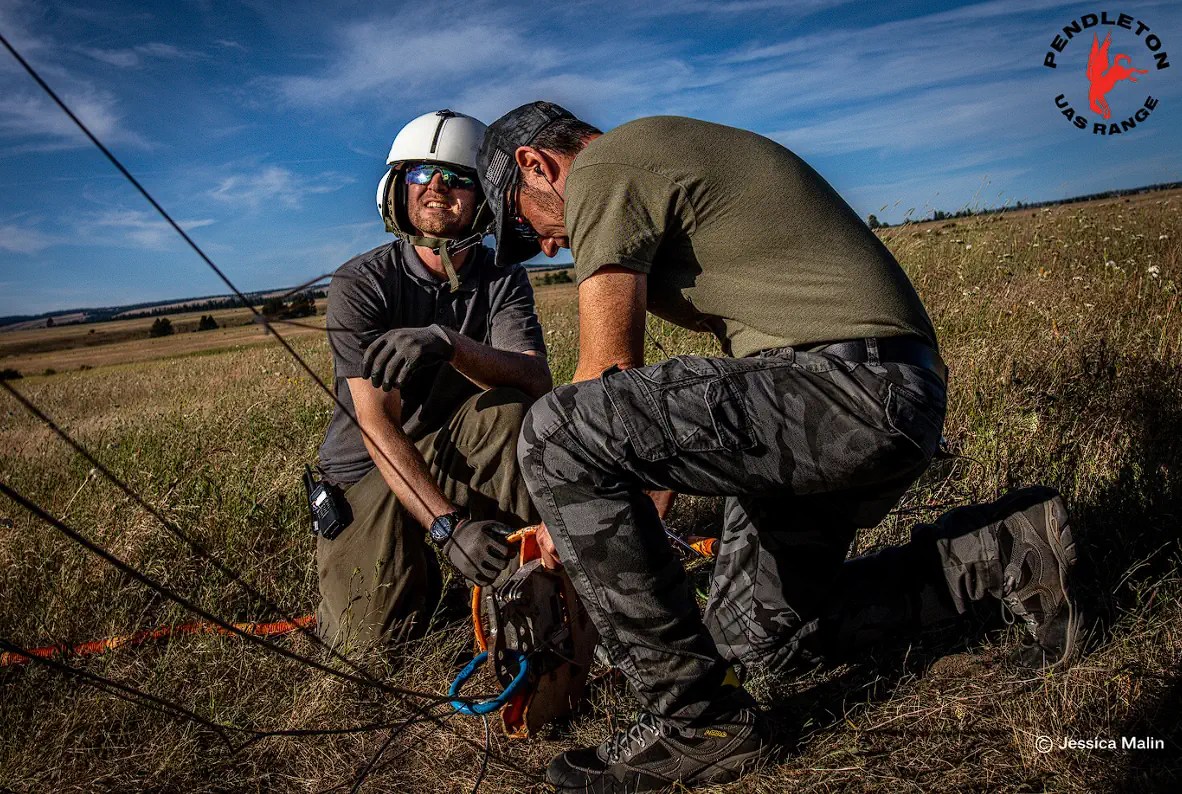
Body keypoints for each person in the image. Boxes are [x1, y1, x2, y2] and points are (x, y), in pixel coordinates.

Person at [475, 102, 1082, 792]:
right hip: (871, 395)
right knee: (752, 641)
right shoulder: (657, 159)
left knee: (554, 428)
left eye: (525, 227)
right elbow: (635, 420)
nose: (546, 247)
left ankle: (696, 724)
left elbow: (605, 373)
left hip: (850, 391)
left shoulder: (607, 163)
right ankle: (1002, 551)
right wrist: (621, 534)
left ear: (537, 164)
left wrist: (563, 524)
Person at [314, 109, 551, 652]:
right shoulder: (362, 282)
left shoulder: (502, 279)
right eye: (423, 174)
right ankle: (430, 564)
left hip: (458, 451)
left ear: (485, 196)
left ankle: (529, 581)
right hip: (371, 469)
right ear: (398, 189)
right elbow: (378, 425)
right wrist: (449, 530)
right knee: (373, 647)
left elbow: (535, 378)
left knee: (509, 411)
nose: (438, 188)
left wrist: (447, 342)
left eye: (458, 177)